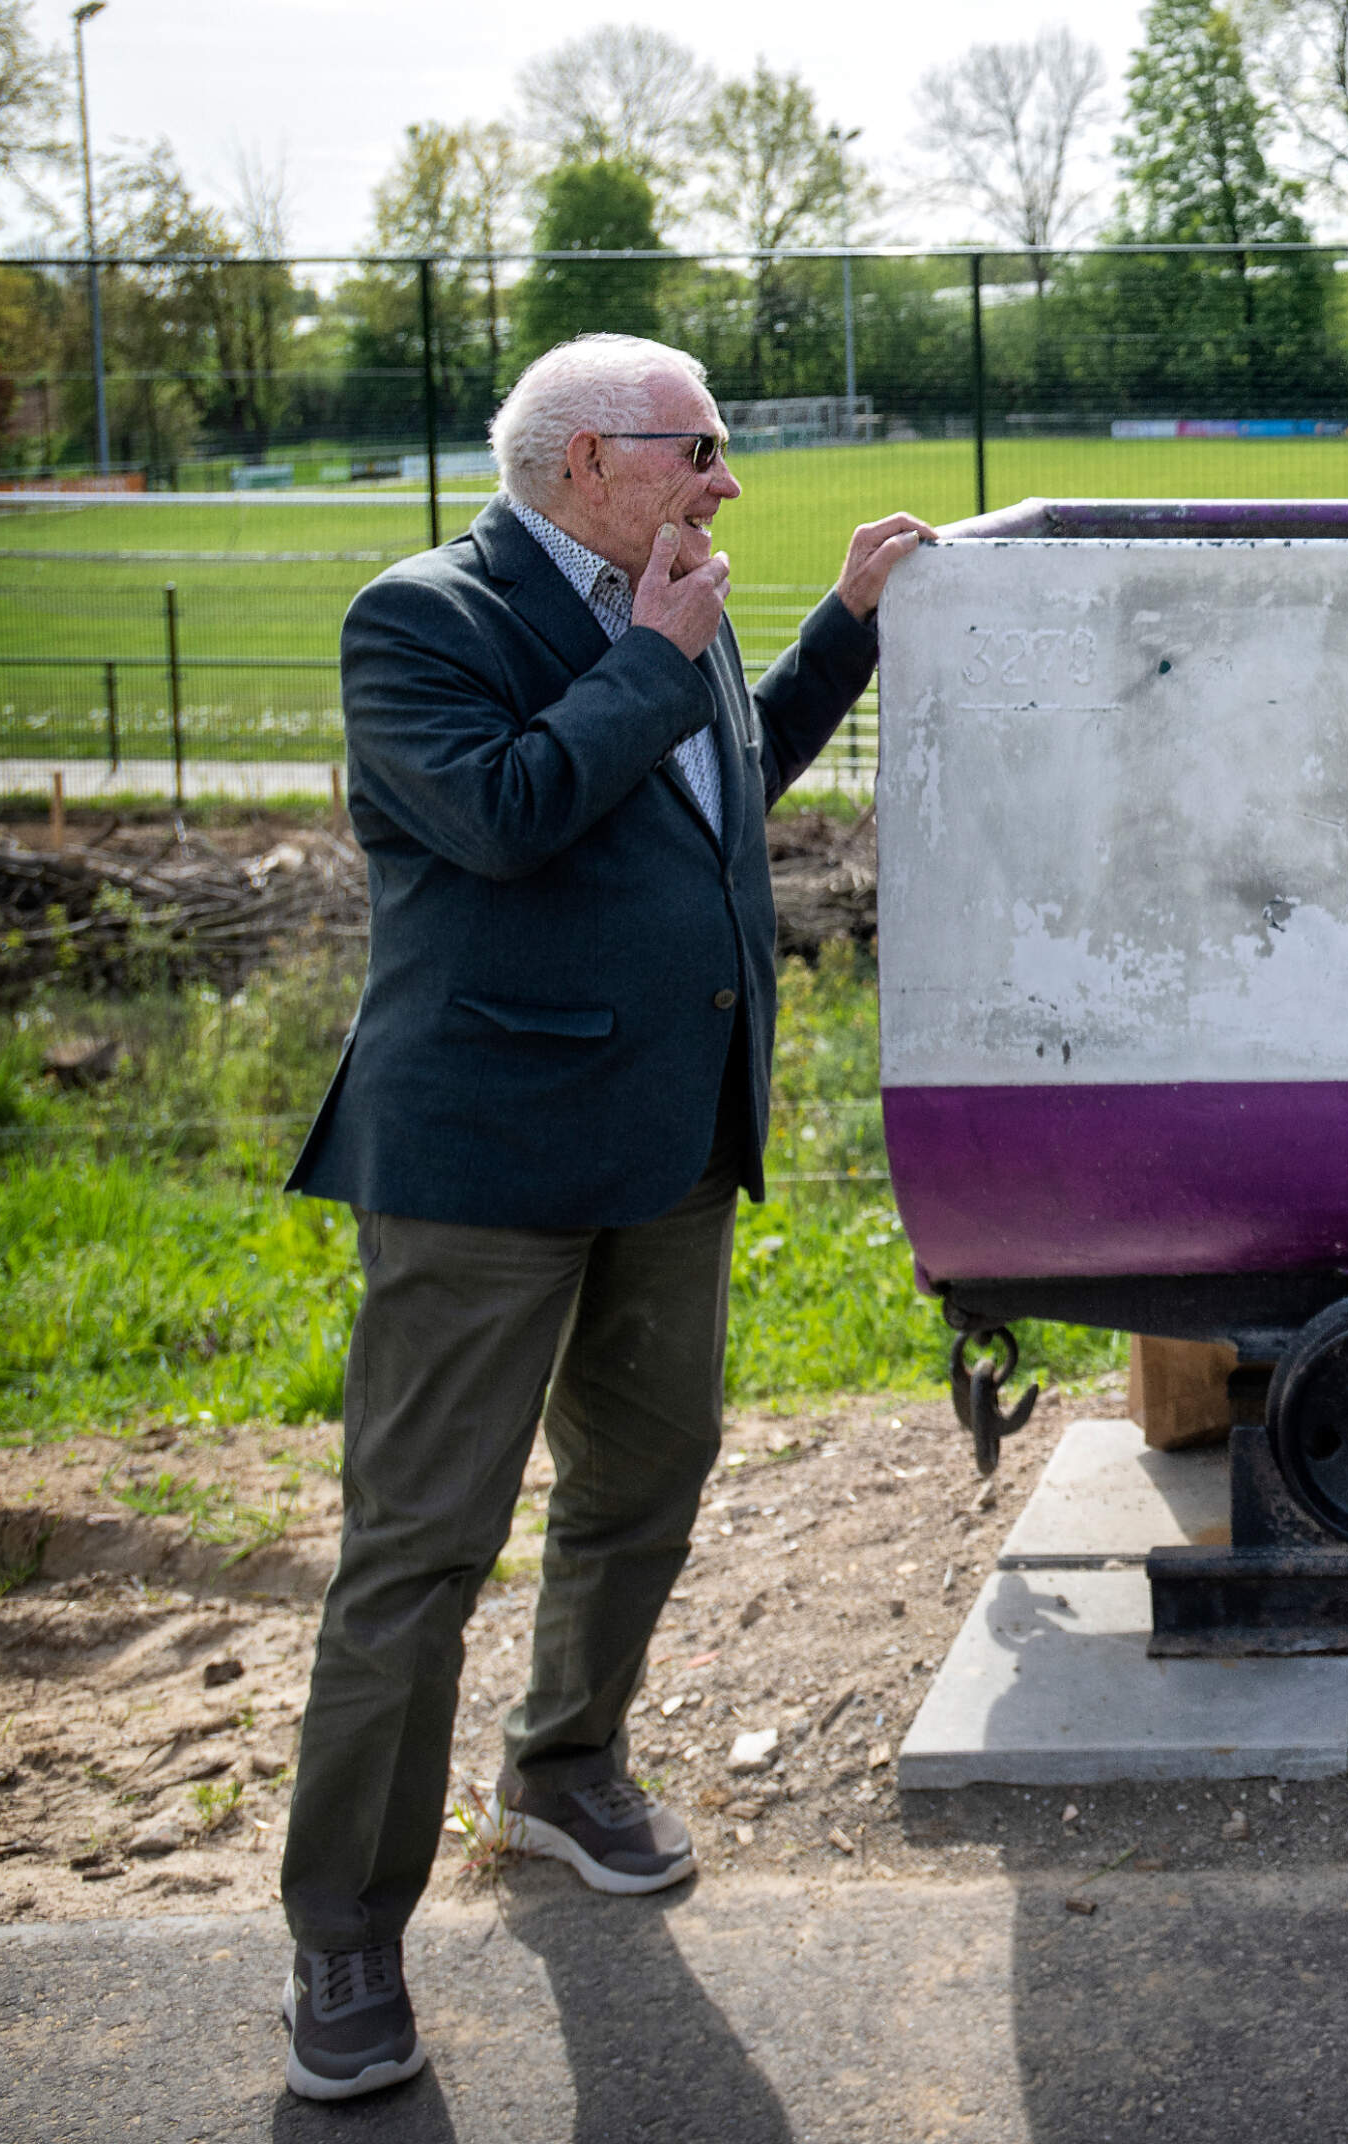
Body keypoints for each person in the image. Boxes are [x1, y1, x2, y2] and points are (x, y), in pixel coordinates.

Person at [270, 331, 938, 2100]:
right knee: (417, 1553)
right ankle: (342, 1931)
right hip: (484, 1165)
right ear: (584, 461)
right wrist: (658, 657)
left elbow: (715, 792)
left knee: (647, 1478)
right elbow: (506, 817)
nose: (725, 483)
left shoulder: (678, 597)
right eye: (698, 449)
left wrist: (837, 636)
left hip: (668, 1145)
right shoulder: (423, 620)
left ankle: (563, 1766)